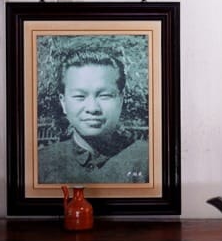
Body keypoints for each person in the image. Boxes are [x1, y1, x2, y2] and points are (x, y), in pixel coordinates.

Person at [38, 45, 149, 185]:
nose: (92, 108)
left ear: (121, 100)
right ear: (63, 102)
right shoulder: (41, 163)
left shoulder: (148, 159)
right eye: (79, 96)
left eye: (105, 95)